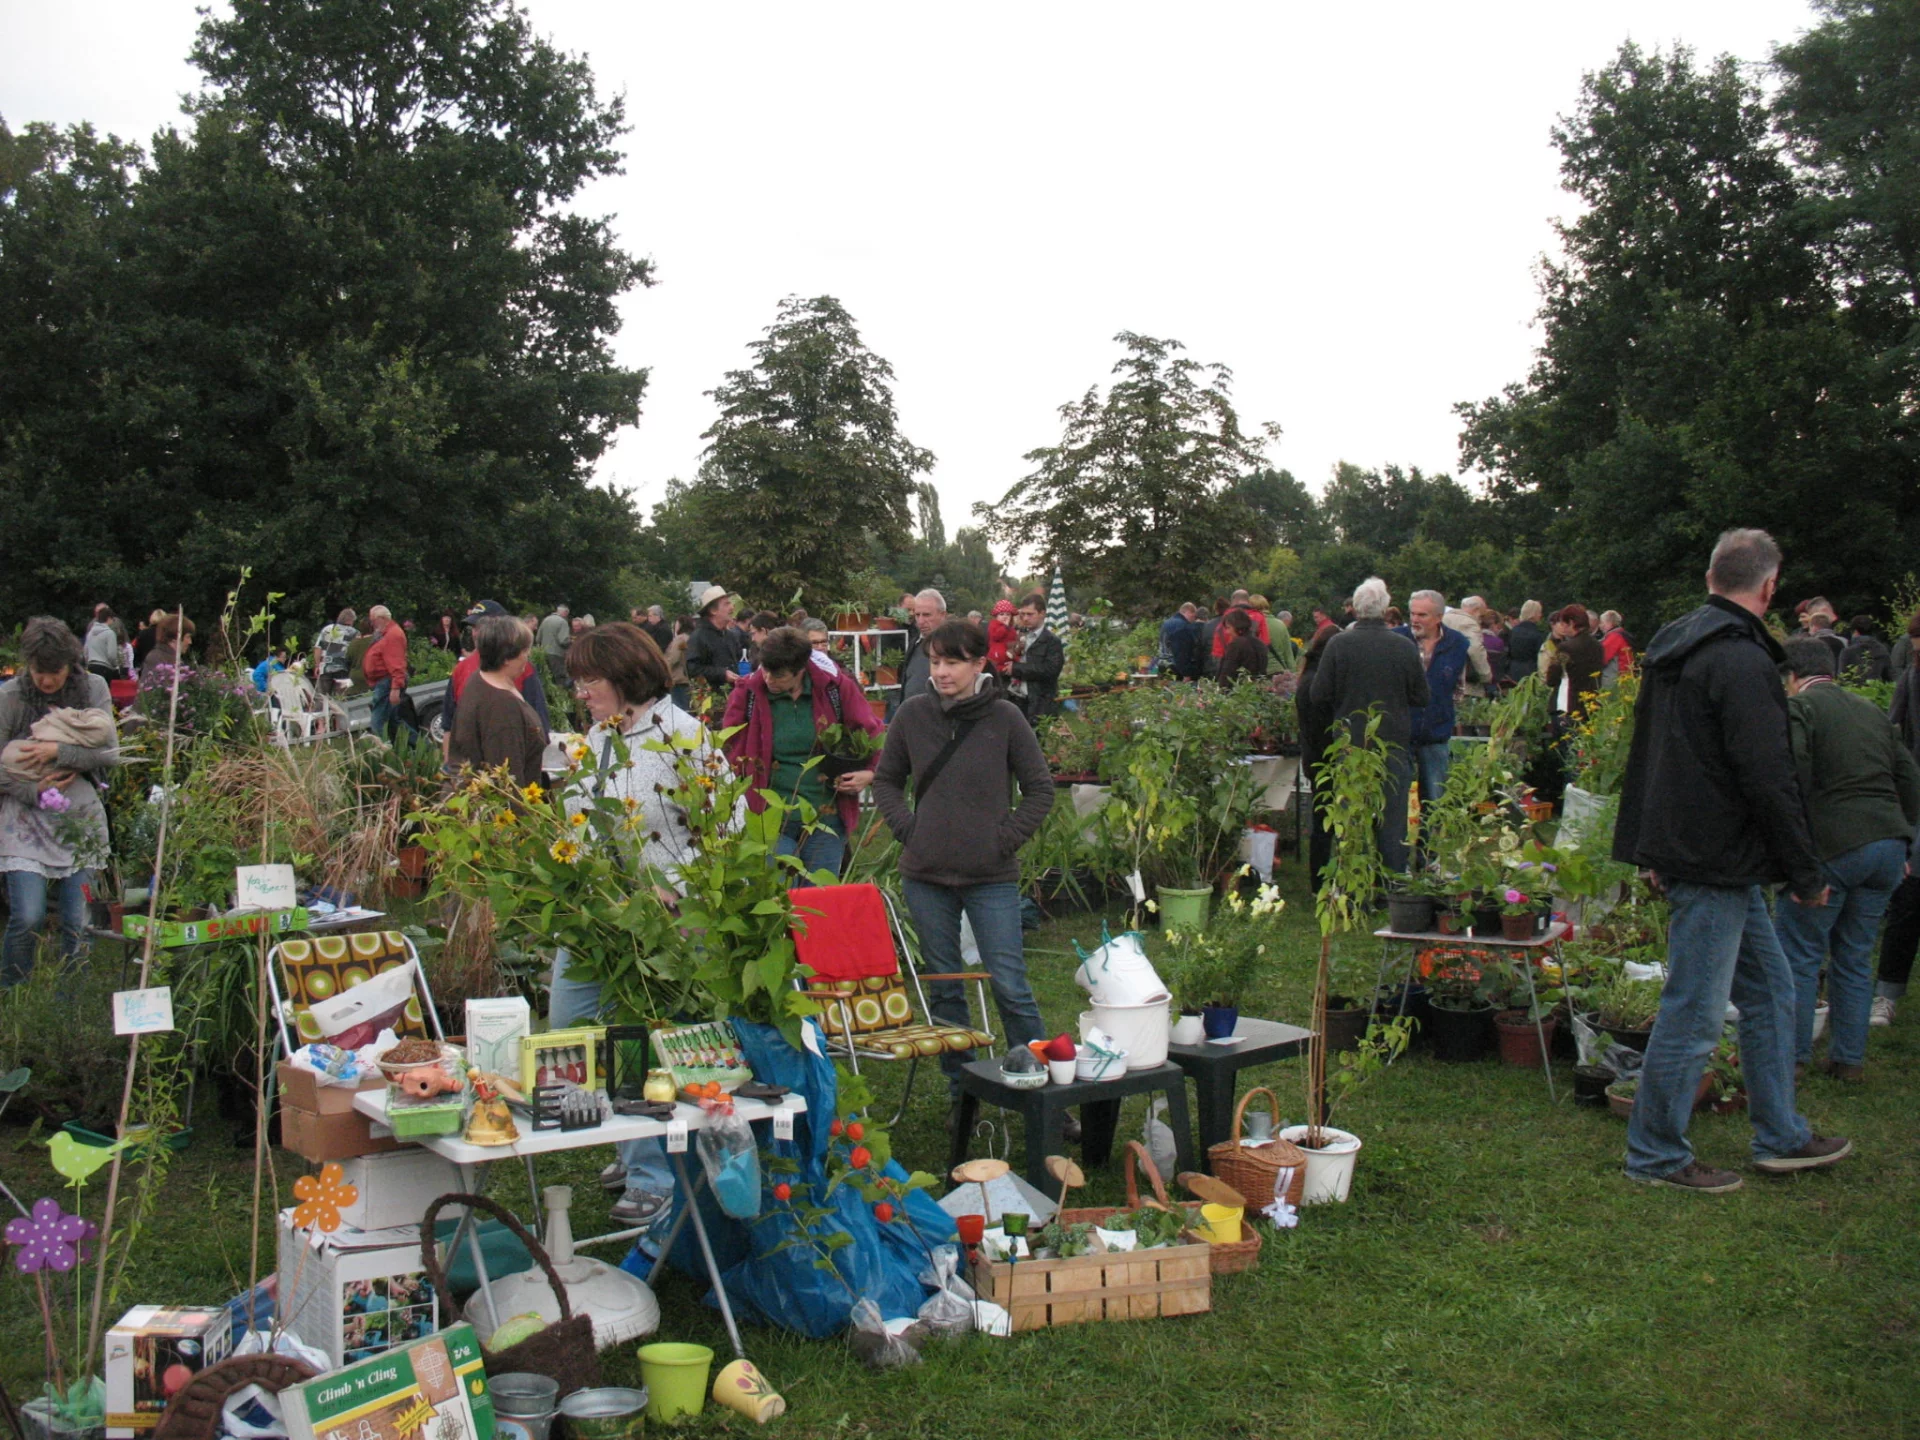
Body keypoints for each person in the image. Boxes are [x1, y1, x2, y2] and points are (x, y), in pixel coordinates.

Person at [1612, 527, 1849, 1192]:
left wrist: (1649, 844)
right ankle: (1656, 1154)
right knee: (1694, 1010)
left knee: (1772, 993)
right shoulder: (1738, 660)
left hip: (1716, 858)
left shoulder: (1680, 645)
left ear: (1712, 576)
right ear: (1769, 588)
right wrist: (1804, 872)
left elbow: (1649, 755)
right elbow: (1767, 775)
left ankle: (1781, 1135)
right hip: (1714, 859)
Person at [552, 622, 712, 1228]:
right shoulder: (595, 740)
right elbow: (578, 820)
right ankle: (628, 1144)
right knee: (569, 1024)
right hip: (597, 913)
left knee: (634, 1040)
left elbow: (722, 826)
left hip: (658, 922)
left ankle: (652, 1175)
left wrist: (676, 890)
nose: (581, 693)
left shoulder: (682, 737)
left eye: (589, 680)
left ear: (624, 678)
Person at [871, 620, 1054, 1107]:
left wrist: (1005, 838)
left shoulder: (1006, 718)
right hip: (925, 877)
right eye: (935, 661)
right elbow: (886, 781)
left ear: (978, 665)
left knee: (1010, 985)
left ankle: (1043, 1086)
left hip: (990, 876)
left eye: (953, 662)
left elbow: (1040, 789)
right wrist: (910, 830)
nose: (942, 671)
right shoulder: (913, 715)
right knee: (944, 987)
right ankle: (964, 1091)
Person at [1770, 637, 1920, 1079]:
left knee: (1800, 953)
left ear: (1792, 677)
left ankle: (1794, 1057)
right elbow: (1910, 777)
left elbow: (1793, 773)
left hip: (1835, 845)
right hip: (1888, 845)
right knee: (1854, 955)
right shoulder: (1870, 710)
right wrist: (1905, 837)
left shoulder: (1802, 709)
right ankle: (1848, 1059)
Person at [1, 619, 119, 988]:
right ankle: (12, 991)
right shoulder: (11, 697)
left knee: (77, 919)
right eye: (39, 672)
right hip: (24, 818)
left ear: (71, 663)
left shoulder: (92, 688)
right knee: (29, 916)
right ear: (27, 665)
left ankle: (71, 1004)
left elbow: (111, 754)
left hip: (78, 815)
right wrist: (33, 790)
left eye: (55, 672)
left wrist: (59, 750)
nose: (47, 681)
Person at [721, 627, 882, 884]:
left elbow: (873, 733)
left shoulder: (835, 689)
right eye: (765, 670)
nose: (769, 679)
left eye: (780, 675)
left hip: (825, 817)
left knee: (821, 903)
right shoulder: (747, 694)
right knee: (782, 902)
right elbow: (729, 746)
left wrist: (870, 773)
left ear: (800, 670)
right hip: (770, 817)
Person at [1308, 577, 1429, 873]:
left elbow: (1318, 694)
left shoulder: (1338, 644)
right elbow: (1421, 695)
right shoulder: (1403, 647)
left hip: (1351, 741)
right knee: (1392, 818)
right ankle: (1393, 883)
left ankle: (1354, 881)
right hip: (1392, 741)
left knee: (1353, 817)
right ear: (1386, 608)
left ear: (1355, 609)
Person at [445, 617, 549, 788]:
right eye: (525, 650)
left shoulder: (479, 679)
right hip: (498, 809)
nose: (527, 656)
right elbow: (507, 782)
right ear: (507, 657)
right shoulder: (502, 707)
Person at [440, 601, 552, 756]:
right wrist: (449, 768)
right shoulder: (461, 669)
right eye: (473, 628)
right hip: (470, 766)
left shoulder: (523, 668)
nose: (475, 633)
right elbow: (449, 725)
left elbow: (539, 724)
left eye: (481, 627)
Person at [1400, 590, 1471, 805]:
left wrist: (1440, 708)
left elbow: (1459, 687)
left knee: (1435, 798)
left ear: (1439, 617)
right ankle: (1398, 839)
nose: (1415, 620)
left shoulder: (1457, 644)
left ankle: (1430, 839)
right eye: (1412, 614)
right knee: (1396, 797)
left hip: (1436, 732)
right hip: (1400, 732)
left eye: (1422, 615)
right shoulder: (1396, 639)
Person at [1008, 592, 1064, 722]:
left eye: (1030, 614)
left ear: (1042, 613)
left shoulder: (1051, 641)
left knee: (1034, 741)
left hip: (1038, 705)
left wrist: (1016, 669)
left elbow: (1050, 670)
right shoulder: (1017, 635)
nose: (1025, 618)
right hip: (1015, 700)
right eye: (1023, 614)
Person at [362, 605, 414, 742]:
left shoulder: (393, 635)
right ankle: (424, 748)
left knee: (377, 723)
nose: (372, 624)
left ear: (382, 618)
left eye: (373, 620)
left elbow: (397, 664)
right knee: (394, 722)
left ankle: (383, 753)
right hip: (385, 682)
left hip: (387, 682)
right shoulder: (387, 634)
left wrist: (395, 688)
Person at [1544, 605, 1605, 721]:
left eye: (1563, 624)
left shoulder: (1565, 648)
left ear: (1571, 623)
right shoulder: (1598, 646)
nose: (1562, 627)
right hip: (1591, 705)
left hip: (1568, 705)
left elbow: (1552, 678)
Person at [683, 586, 745, 690]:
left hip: (734, 697)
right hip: (712, 701)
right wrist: (721, 674)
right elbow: (691, 670)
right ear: (713, 610)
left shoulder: (730, 636)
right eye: (726, 604)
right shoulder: (698, 637)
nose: (732, 608)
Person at [898, 589, 947, 701]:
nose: (920, 621)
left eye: (926, 615)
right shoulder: (915, 643)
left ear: (942, 615)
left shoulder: (953, 646)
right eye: (917, 615)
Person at [313, 609, 359, 696]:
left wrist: (317, 665)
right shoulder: (355, 633)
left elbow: (318, 648)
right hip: (344, 670)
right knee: (341, 699)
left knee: (322, 698)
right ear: (351, 620)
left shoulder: (327, 629)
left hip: (325, 668)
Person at [1216, 609, 1268, 686]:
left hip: (1238, 692)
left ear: (1238, 626)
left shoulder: (1236, 645)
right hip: (1256, 690)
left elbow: (1228, 673)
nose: (1227, 632)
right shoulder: (1260, 644)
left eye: (1228, 627)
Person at [139, 613, 195, 685]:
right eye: (188, 637)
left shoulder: (172, 657)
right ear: (175, 638)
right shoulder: (156, 659)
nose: (190, 642)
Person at [1838, 616, 1891, 685]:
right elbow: (1890, 675)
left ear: (1855, 632)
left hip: (1853, 692)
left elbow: (1842, 678)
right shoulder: (1882, 648)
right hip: (1877, 690)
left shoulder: (1847, 651)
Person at [1160, 602, 1202, 681]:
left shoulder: (1166, 623)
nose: (1194, 619)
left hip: (1164, 664)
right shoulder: (1183, 626)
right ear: (1189, 612)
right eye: (1194, 615)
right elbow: (1181, 651)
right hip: (1177, 669)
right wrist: (1186, 673)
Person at [1506, 600, 1546, 680]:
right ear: (1533, 614)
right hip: (1531, 672)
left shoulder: (1513, 632)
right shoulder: (1537, 634)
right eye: (1539, 612)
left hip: (1513, 671)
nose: (1540, 615)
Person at [536, 605, 572, 688]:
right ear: (565, 613)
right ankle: (561, 697)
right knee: (559, 679)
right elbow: (563, 641)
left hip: (543, 653)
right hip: (556, 654)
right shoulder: (563, 622)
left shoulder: (545, 620)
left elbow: (538, 638)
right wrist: (571, 643)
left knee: (546, 678)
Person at [83, 606, 123, 682]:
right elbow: (111, 655)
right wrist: (115, 666)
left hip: (91, 667)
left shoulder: (90, 633)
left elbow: (85, 651)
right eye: (112, 619)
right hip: (104, 668)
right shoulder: (109, 633)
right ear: (108, 618)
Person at [665, 615, 695, 711]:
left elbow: (673, 658)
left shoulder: (680, 639)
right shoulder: (691, 637)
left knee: (679, 709)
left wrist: (663, 670)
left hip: (678, 679)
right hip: (689, 678)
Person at [987, 600, 1018, 677]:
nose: (1005, 616)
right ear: (996, 616)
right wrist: (1005, 627)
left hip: (1008, 658)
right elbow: (996, 636)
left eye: (1008, 614)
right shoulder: (993, 625)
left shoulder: (1011, 628)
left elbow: (1013, 640)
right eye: (1001, 614)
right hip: (997, 658)